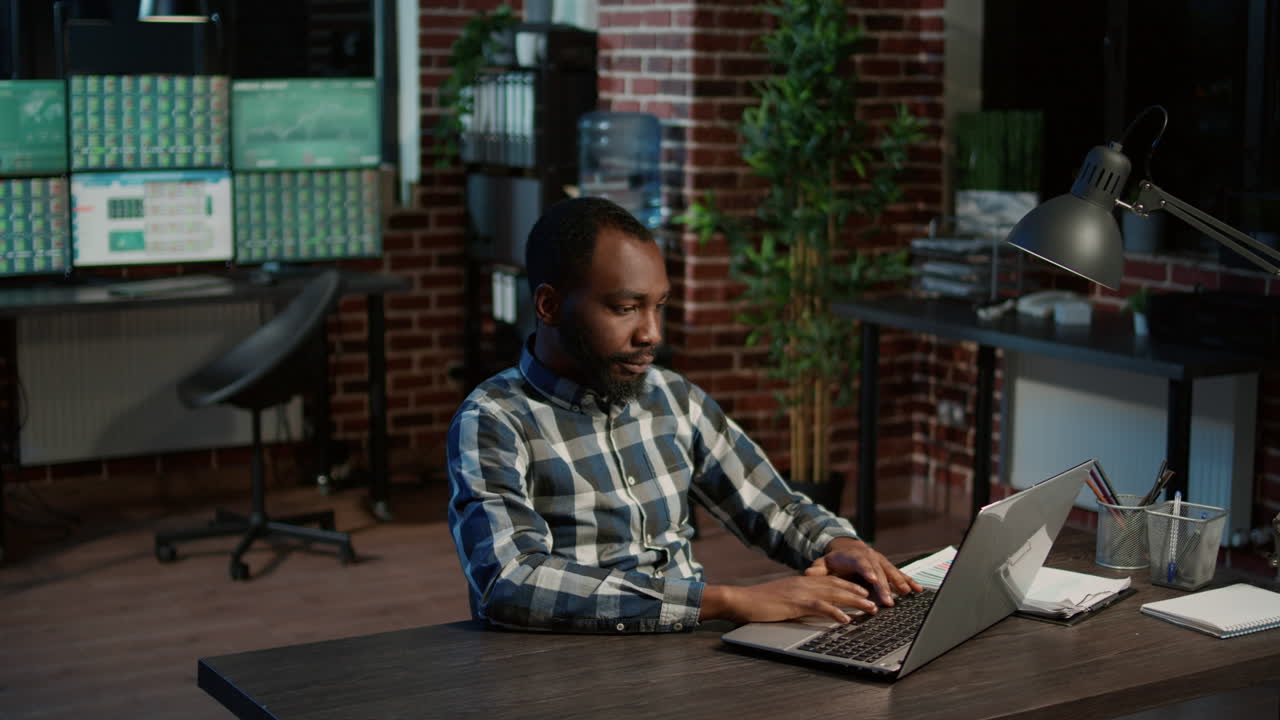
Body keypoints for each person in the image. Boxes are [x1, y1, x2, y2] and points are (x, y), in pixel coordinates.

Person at [447, 197, 921, 633]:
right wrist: (726, 601)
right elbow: (510, 582)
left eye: (658, 307)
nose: (651, 333)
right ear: (549, 306)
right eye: (626, 308)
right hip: (567, 665)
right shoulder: (493, 420)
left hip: (687, 652)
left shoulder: (673, 397)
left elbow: (773, 506)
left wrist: (837, 545)